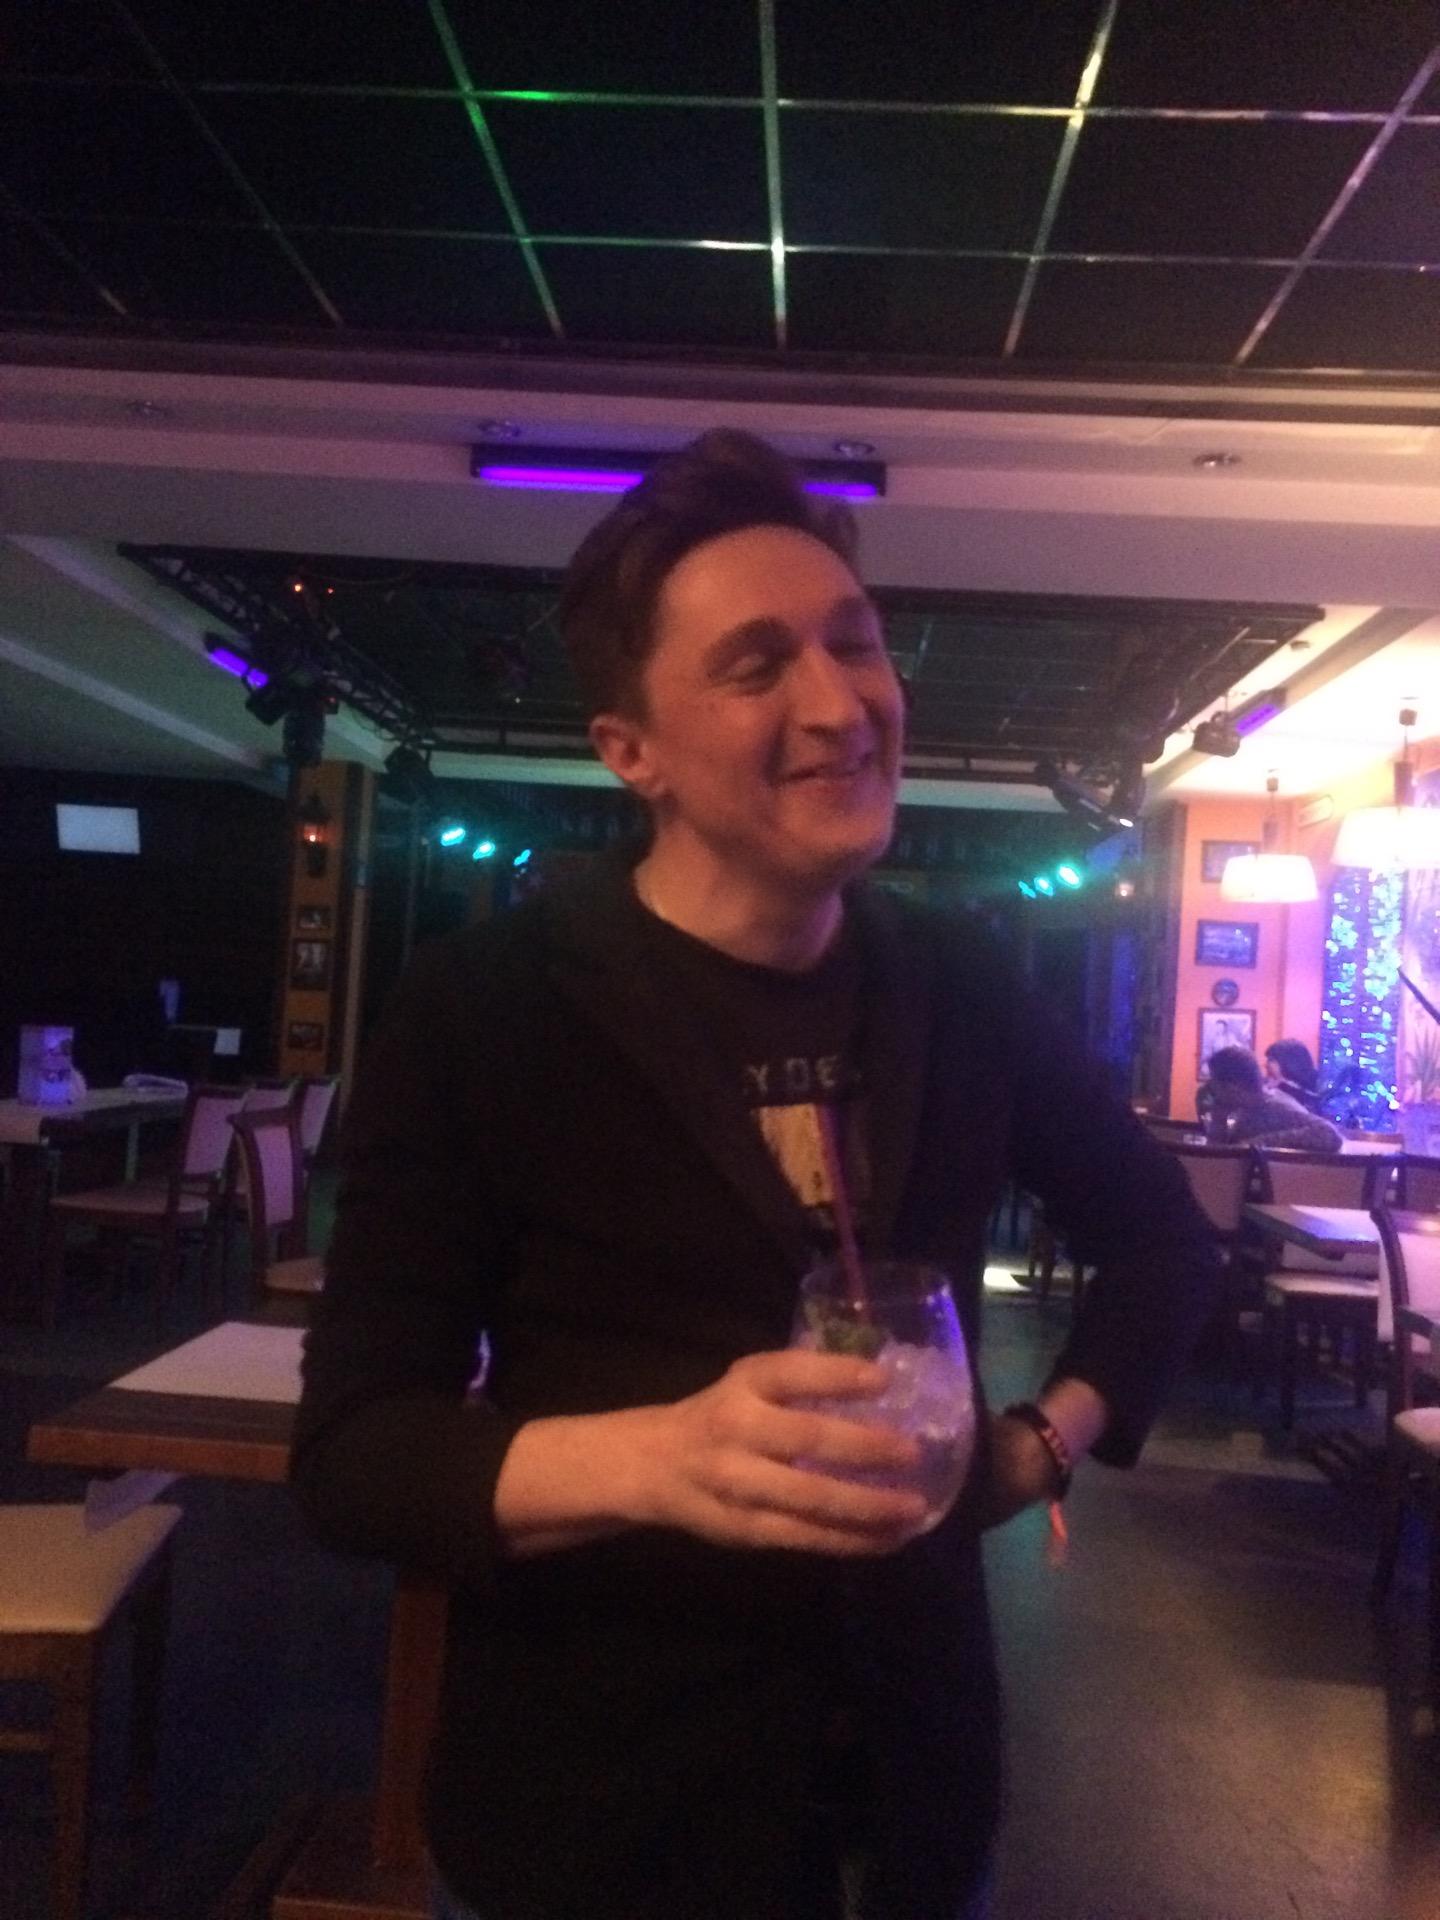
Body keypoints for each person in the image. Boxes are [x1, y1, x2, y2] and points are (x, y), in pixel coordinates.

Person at [292, 430, 1220, 1920]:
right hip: (598, 1816)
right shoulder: (489, 1006)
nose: (841, 703)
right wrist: (666, 1458)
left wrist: (1041, 1443)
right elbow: (355, 1455)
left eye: (856, 644)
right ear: (631, 751)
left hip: (914, 1797)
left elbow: (1164, 1244)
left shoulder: (956, 978)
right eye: (755, 666)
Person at [1205, 1045, 1342, 1152]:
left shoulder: (1276, 1106)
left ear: (1232, 1087)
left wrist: (1255, 1145)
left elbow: (1329, 1134)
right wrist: (1219, 1119)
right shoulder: (1238, 1109)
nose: (1211, 1086)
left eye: (1213, 1080)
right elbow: (1218, 1155)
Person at [1263, 1037, 1323, 1113]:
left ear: (1290, 1063)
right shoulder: (1267, 1091)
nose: (1266, 1065)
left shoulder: (1303, 1102)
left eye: (1271, 1060)